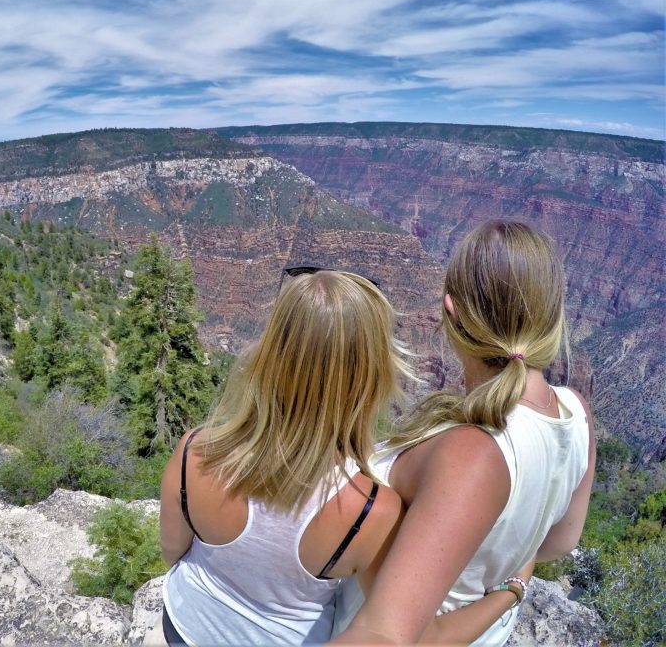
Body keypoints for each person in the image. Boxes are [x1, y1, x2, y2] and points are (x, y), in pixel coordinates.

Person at [159, 267, 534, 646]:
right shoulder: (371, 511)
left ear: (269, 355)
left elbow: (173, 551)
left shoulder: (195, 451)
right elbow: (413, 634)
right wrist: (512, 590)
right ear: (372, 378)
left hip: (183, 624)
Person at [332, 220, 596, 645]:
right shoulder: (575, 412)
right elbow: (560, 540)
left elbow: (392, 637)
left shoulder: (473, 451)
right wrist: (508, 583)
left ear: (451, 313)